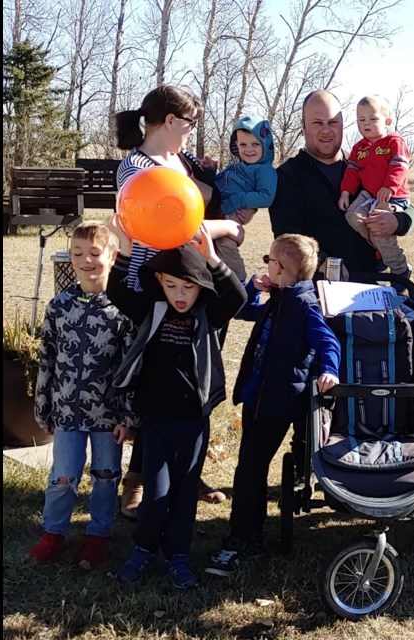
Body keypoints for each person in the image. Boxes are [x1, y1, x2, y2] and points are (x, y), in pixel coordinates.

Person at [114, 85, 243, 516]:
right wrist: (225, 229)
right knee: (157, 381)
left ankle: (189, 467)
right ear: (170, 122)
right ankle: (137, 479)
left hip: (192, 283)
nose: (191, 133)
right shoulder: (137, 168)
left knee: (193, 378)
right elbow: (177, 225)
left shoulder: (178, 162)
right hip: (157, 286)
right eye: (189, 124)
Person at [106, 217, 247, 588]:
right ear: (159, 283)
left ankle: (179, 557)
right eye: (170, 285)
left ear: (201, 287)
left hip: (193, 423)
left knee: (185, 495)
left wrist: (213, 259)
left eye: (188, 287)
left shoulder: (207, 314)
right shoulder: (152, 309)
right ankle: (142, 551)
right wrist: (125, 245)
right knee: (156, 493)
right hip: (154, 422)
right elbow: (119, 293)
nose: (180, 295)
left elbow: (238, 298)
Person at [206, 233, 340, 578]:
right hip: (258, 395)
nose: (265, 264)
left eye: (268, 260)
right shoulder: (279, 296)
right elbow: (244, 310)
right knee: (251, 465)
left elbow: (328, 341)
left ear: (280, 268)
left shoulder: (304, 305)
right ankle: (248, 532)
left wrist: (329, 370)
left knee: (250, 469)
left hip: (279, 400)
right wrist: (252, 286)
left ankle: (242, 539)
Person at [27, 222, 137, 569]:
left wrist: (127, 415)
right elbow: (46, 359)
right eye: (77, 254)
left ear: (112, 256)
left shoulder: (122, 310)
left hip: (108, 415)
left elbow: (131, 367)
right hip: (66, 411)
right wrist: (43, 406)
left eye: (94, 253)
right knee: (62, 476)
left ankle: (98, 536)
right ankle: (53, 534)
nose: (86, 261)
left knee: (106, 474)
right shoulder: (59, 307)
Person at [269, 89, 414, 277]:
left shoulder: (365, 162)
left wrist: (398, 221)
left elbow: (407, 206)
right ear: (303, 126)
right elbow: (287, 237)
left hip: (371, 282)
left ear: (342, 125)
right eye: (317, 123)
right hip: (317, 289)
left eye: (333, 122)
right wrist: (323, 263)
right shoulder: (287, 175)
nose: (326, 130)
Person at [338, 95, 412, 281]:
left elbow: (400, 166)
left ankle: (400, 269)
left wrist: (389, 186)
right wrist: (345, 192)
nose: (366, 124)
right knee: (353, 216)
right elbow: (352, 171)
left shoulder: (394, 142)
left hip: (393, 196)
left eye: (373, 119)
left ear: (387, 121)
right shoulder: (359, 148)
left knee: (379, 226)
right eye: (361, 120)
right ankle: (379, 249)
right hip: (369, 194)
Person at [214, 115, 277, 233]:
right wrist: (210, 171)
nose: (249, 150)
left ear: (265, 144)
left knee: (225, 245)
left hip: (231, 212)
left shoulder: (265, 170)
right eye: (243, 145)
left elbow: (266, 197)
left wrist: (236, 201)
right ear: (236, 145)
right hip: (214, 204)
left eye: (255, 144)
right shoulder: (237, 167)